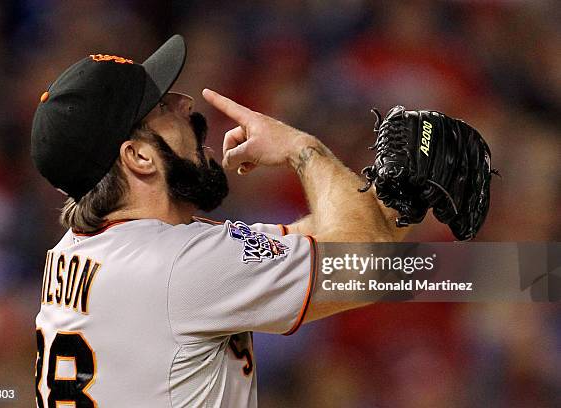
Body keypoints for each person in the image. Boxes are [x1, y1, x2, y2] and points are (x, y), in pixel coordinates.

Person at [31, 35, 407, 408]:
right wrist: (302, 149)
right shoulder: (180, 266)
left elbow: (327, 242)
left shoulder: (89, 248)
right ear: (139, 158)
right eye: (162, 107)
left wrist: (400, 197)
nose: (185, 103)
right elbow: (370, 263)